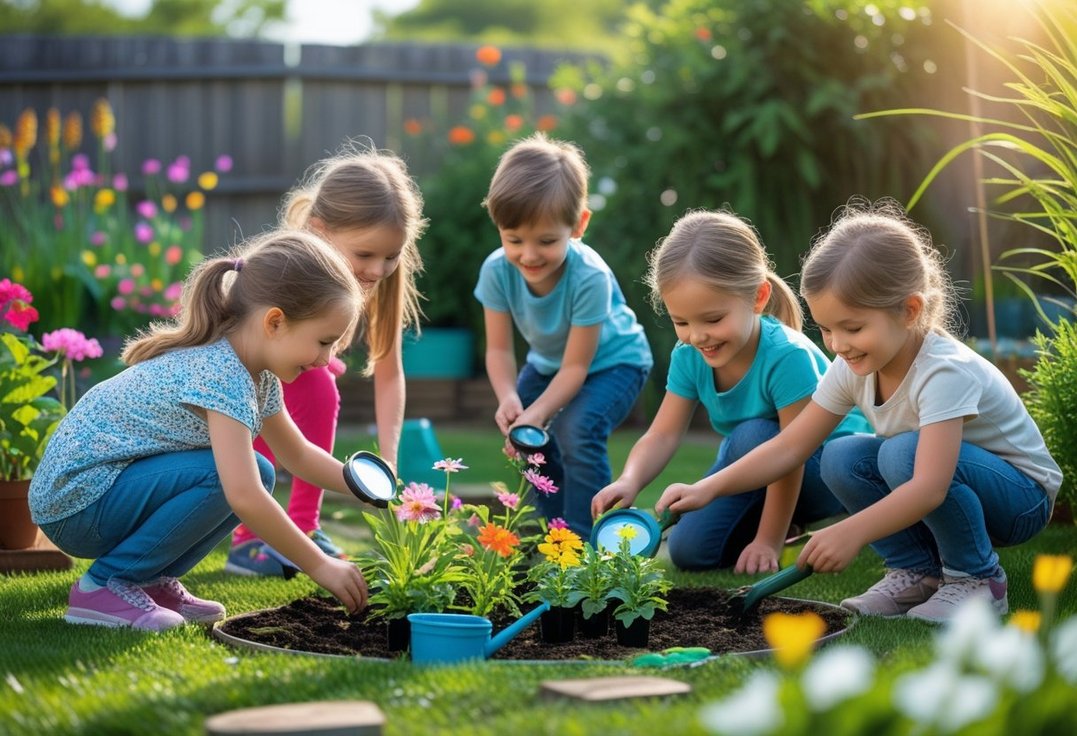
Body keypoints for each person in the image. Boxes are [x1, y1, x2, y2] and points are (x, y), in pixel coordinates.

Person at [656, 199, 1061, 622]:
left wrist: (851, 531)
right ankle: (917, 571)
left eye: (852, 328)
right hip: (953, 483)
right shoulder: (851, 366)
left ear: (909, 310)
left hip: (1019, 500)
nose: (837, 344)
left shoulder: (943, 371)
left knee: (901, 452)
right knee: (840, 455)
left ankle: (977, 580)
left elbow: (929, 488)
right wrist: (709, 488)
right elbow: (791, 446)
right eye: (827, 329)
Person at [29, 231, 373, 631]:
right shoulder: (221, 373)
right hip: (76, 501)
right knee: (229, 477)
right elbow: (242, 496)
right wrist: (319, 564)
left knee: (258, 470)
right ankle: (103, 586)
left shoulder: (256, 376)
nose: (326, 360)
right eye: (324, 341)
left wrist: (365, 486)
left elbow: (297, 455)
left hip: (97, 494)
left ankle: (148, 579)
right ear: (275, 322)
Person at [592, 210, 871, 573]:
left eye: (712, 319)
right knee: (691, 552)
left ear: (757, 297)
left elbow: (791, 453)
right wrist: (630, 479)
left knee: (753, 434)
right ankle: (770, 522)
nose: (697, 336)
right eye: (681, 322)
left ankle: (779, 525)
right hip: (757, 467)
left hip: (826, 473)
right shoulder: (689, 355)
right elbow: (662, 434)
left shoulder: (787, 355)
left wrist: (767, 541)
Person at [225, 146, 426, 576]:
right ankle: (251, 539)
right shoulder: (290, 270)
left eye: (391, 255)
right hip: (243, 380)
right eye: (365, 255)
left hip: (305, 375)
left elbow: (389, 369)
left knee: (319, 383)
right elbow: (251, 360)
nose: (378, 268)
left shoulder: (382, 274)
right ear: (320, 230)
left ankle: (302, 528)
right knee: (317, 385)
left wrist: (387, 457)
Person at [473, 133, 653, 538]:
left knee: (576, 429)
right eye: (514, 239)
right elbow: (499, 350)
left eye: (547, 241)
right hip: (548, 363)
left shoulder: (588, 276)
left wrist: (537, 413)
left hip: (615, 364)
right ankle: (554, 535)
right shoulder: (496, 271)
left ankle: (589, 538)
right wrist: (510, 398)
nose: (529, 255)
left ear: (579, 225)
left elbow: (576, 368)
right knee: (528, 442)